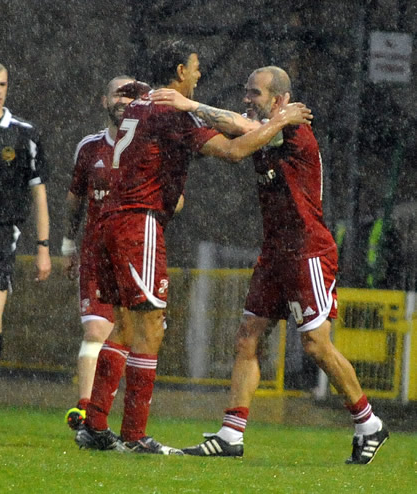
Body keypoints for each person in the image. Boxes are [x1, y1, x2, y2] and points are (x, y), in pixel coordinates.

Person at [74, 40, 312, 455]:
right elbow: (236, 150)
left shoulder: (142, 105)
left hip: (110, 223)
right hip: (139, 223)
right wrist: (282, 120)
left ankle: (95, 426)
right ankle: (134, 436)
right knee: (151, 328)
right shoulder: (170, 112)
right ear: (180, 71)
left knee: (125, 327)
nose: (200, 75)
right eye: (196, 68)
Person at [151, 66, 389, 465]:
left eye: (255, 93)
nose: (247, 99)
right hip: (276, 252)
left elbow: (237, 127)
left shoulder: (293, 129)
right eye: (246, 92)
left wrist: (188, 102)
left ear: (279, 99)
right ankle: (231, 434)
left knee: (315, 345)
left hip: (307, 250)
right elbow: (236, 128)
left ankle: (369, 423)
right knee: (247, 336)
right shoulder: (269, 127)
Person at [62, 76, 175, 431]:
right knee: (98, 329)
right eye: (117, 94)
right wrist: (67, 243)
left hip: (133, 247)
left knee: (133, 330)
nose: (124, 101)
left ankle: (112, 420)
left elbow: (176, 197)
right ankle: (88, 413)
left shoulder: (147, 144)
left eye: (132, 95)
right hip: (96, 252)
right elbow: (74, 198)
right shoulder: (90, 147)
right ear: (103, 100)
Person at [0, 60, 51, 425]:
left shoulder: (23, 135)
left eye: (2, 84)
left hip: (2, 233)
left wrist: (43, 246)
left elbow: (40, 195)